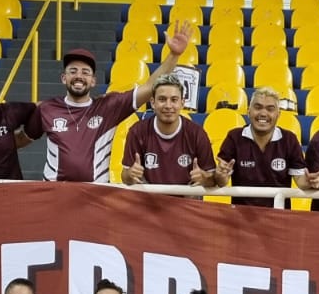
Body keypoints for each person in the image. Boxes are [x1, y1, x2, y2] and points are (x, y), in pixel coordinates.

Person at [25, 22, 194, 182]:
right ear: (64, 78)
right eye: (73, 71)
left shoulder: (109, 107)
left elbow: (150, 87)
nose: (79, 76)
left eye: (85, 72)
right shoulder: (47, 108)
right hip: (56, 194)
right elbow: (22, 138)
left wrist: (174, 55)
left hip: (95, 196)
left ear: (93, 81)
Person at [212, 86, 313, 207]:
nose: (263, 113)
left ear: (278, 114)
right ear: (248, 111)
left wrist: (317, 180)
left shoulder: (289, 140)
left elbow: (301, 182)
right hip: (241, 217)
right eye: (258, 107)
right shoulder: (234, 138)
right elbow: (222, 181)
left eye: (270, 109)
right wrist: (220, 175)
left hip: (278, 217)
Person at [120, 74, 217, 188]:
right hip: (149, 202)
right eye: (162, 99)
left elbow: (213, 180)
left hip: (186, 202)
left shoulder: (197, 134)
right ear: (152, 102)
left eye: (174, 100)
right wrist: (130, 174)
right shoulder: (137, 132)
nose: (168, 105)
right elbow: (125, 177)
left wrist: (205, 178)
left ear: (182, 103)